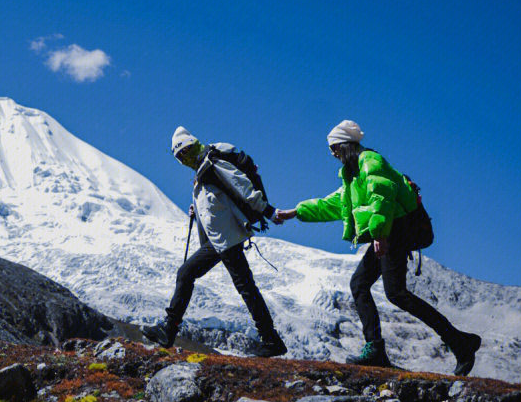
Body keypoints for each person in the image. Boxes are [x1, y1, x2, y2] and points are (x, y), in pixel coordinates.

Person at [275, 120, 481, 375]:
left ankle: (459, 343)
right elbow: (335, 203)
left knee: (395, 293)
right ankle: (376, 348)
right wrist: (296, 212)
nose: (332, 153)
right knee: (360, 284)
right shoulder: (352, 175)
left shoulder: (370, 160)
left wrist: (381, 234)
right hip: (386, 232)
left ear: (344, 144)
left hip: (395, 230)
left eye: (334, 147)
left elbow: (382, 194)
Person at [142, 126, 288, 358]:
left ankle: (169, 329)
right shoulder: (202, 171)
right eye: (180, 156)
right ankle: (270, 339)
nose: (185, 158)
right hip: (219, 240)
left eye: (186, 151)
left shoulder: (212, 163)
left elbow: (241, 186)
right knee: (238, 286)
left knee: (208, 279)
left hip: (226, 240)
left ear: (194, 145)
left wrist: (268, 211)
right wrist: (197, 209)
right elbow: (216, 202)